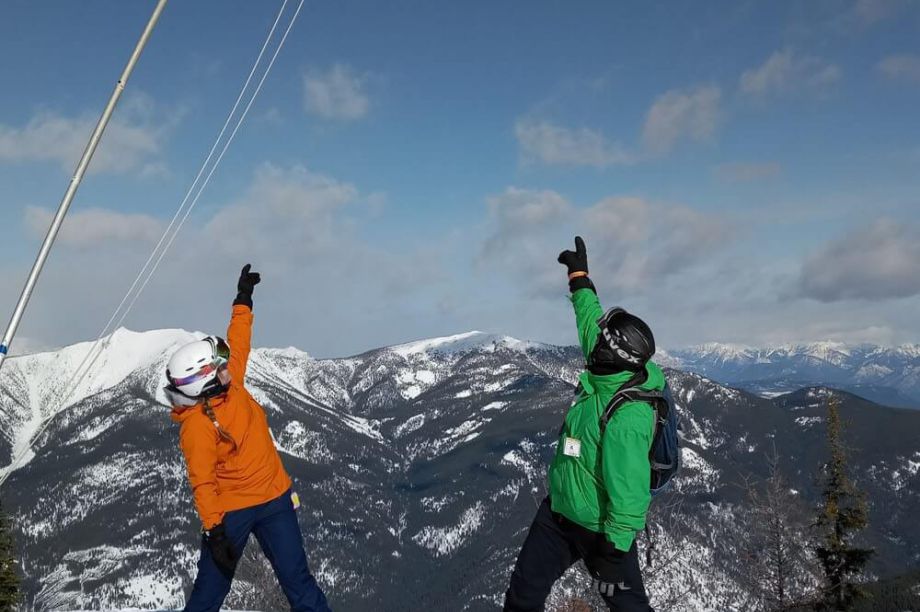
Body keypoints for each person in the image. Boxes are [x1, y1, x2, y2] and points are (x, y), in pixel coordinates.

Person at [503, 237, 664, 612]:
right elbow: (589, 319)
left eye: (604, 336)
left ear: (613, 351)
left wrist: (614, 546)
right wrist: (579, 277)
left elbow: (630, 488)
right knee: (522, 596)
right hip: (558, 515)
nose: (597, 336)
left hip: (600, 531)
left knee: (628, 607)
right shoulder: (609, 366)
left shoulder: (629, 415)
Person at [165, 264, 330, 612]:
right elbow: (202, 482)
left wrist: (243, 299)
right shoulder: (197, 425)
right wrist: (215, 531)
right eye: (219, 367)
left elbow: (239, 342)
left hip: (274, 497)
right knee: (209, 594)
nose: (228, 368)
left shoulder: (231, 386)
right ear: (203, 380)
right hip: (233, 510)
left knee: (299, 581)